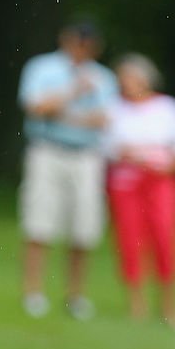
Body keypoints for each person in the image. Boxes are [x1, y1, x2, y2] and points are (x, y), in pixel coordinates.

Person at [17, 21, 117, 319]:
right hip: (47, 151)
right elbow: (36, 107)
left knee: (83, 227)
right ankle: (33, 293)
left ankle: (76, 295)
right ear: (67, 40)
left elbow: (104, 120)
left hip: (86, 156)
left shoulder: (104, 77)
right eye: (79, 42)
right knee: (39, 222)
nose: (83, 49)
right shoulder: (43, 68)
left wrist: (60, 112)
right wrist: (73, 92)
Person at [105, 54, 175, 328]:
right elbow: (105, 144)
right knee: (130, 240)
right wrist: (125, 153)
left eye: (131, 78)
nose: (125, 84)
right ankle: (136, 303)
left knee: (164, 237)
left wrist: (173, 162)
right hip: (126, 184)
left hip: (160, 183)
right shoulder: (114, 109)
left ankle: (169, 303)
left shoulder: (167, 107)